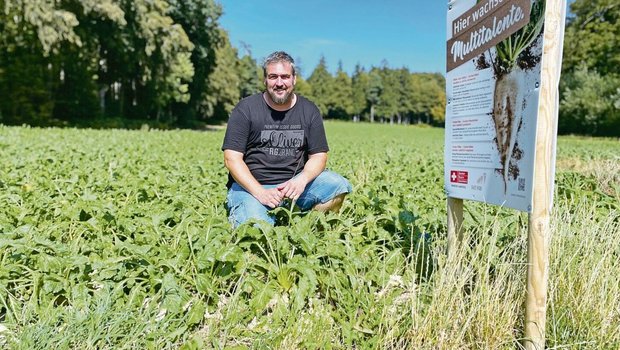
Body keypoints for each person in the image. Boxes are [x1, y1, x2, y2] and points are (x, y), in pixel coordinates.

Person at [222, 51, 351, 228]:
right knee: (257, 230)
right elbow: (232, 159)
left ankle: (310, 232)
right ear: (265, 80)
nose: (279, 83)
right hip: (251, 188)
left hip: (294, 186)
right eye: (273, 77)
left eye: (285, 76)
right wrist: (260, 193)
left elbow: (319, 156)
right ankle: (257, 216)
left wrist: (302, 180)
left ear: (294, 79)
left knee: (337, 185)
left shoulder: (309, 110)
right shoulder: (246, 109)